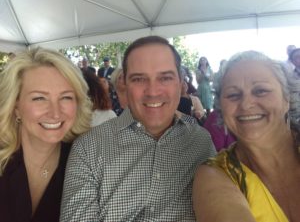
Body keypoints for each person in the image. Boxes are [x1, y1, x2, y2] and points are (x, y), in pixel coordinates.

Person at [60, 35, 216, 222]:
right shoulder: (88, 148)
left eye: (165, 78)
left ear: (181, 82)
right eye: (139, 79)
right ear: (124, 82)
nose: (152, 91)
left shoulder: (201, 142)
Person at [192, 50, 300, 222]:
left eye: (261, 91)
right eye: (233, 95)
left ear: (287, 99)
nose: (246, 104)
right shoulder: (216, 174)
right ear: (221, 107)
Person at [0, 47, 92, 222]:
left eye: (66, 97)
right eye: (39, 98)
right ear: (16, 106)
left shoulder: (87, 161)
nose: (55, 113)